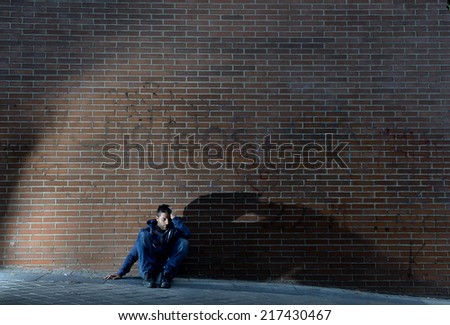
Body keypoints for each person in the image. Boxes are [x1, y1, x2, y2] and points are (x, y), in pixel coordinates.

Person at [104, 204, 190, 288]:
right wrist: (120, 273)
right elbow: (133, 254)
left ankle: (166, 275)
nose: (167, 223)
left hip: (165, 268)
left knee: (183, 242)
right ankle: (148, 275)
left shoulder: (173, 231)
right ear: (157, 218)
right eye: (164, 219)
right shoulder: (147, 233)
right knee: (143, 234)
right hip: (148, 269)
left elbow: (187, 234)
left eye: (169, 219)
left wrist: (175, 219)